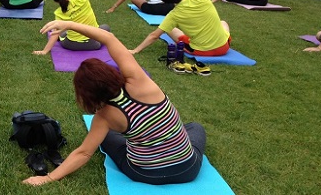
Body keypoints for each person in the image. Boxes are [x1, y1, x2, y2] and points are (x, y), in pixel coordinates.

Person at [23, 20, 206, 186]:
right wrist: (69, 24)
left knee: (108, 137)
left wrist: (47, 178)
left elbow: (84, 153)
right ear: (112, 73)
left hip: (144, 173)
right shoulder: (139, 81)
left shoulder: (104, 117)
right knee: (195, 127)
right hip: (187, 170)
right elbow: (109, 39)